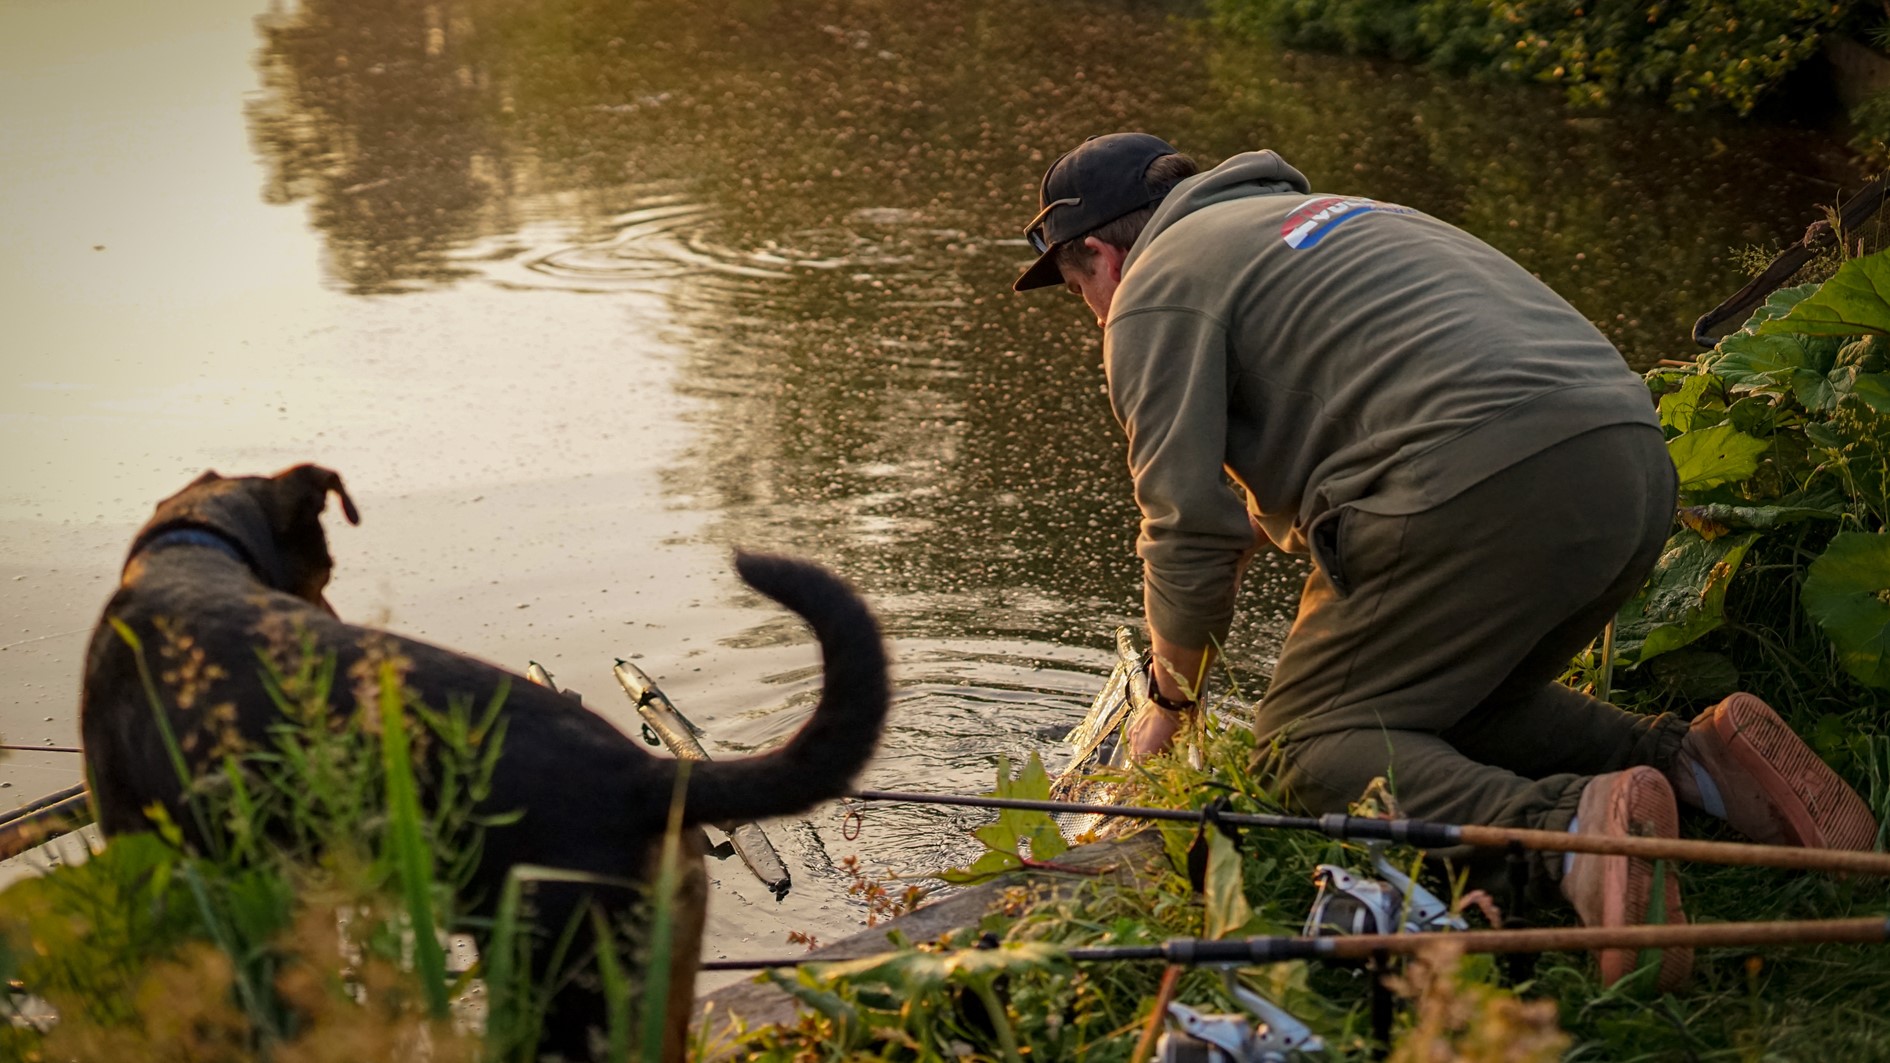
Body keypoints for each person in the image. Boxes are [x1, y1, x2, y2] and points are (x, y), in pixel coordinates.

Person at [1013, 132, 1880, 989]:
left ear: (1099, 251)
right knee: (1446, 705)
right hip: (1631, 463)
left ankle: (1567, 837)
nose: (1092, 307)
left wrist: (1169, 699)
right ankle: (1697, 762)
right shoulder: (1319, 217)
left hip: (1478, 476)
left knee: (1303, 746)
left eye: (1078, 283)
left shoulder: (1153, 291)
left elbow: (1185, 527)